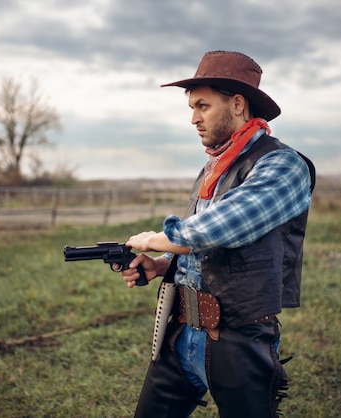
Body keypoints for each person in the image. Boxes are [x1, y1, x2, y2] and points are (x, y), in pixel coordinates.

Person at [121, 50, 316, 418]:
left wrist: (156, 239)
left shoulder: (283, 164)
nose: (194, 118)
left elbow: (227, 224)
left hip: (237, 340)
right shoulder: (214, 167)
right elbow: (204, 250)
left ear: (238, 104)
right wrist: (163, 265)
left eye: (203, 106)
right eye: (192, 108)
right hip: (180, 333)